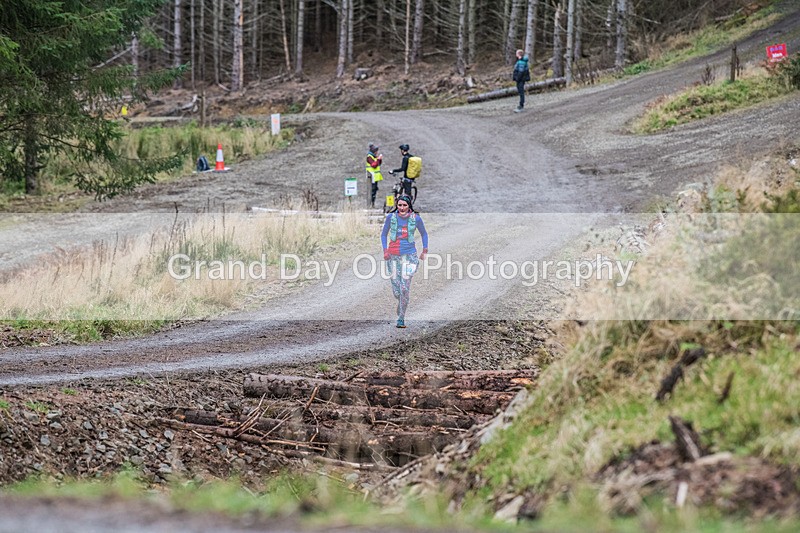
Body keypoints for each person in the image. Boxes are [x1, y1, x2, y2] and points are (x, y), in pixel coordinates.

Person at [381, 195, 428, 328]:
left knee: (404, 288)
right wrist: (385, 251)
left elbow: (424, 234)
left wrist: (425, 250)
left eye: (404, 205)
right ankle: (401, 302)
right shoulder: (391, 218)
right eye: (400, 205)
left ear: (409, 206)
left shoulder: (416, 219)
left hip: (410, 257)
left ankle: (401, 318)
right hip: (393, 256)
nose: (402, 208)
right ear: (397, 205)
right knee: (397, 291)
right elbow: (383, 234)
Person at [365, 143, 384, 208]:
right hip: (371, 177)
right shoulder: (369, 157)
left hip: (375, 177)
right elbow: (374, 165)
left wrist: (379, 159)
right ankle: (370, 204)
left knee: (374, 190)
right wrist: (378, 159)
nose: (377, 152)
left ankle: (372, 204)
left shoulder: (374, 156)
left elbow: (378, 164)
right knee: (372, 191)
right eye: (376, 151)